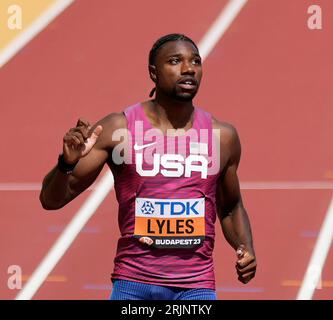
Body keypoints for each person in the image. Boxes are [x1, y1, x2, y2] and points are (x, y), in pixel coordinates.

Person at [40, 33, 256, 300]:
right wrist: (67, 163)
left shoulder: (221, 137)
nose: (189, 69)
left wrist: (245, 247)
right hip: (133, 286)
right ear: (153, 73)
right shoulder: (120, 131)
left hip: (195, 287)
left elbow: (231, 206)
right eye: (175, 61)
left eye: (195, 62)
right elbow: (51, 199)